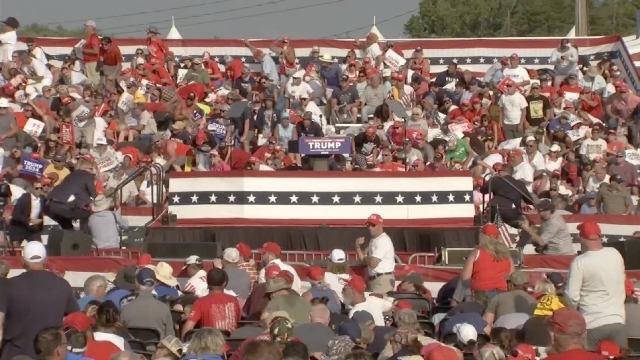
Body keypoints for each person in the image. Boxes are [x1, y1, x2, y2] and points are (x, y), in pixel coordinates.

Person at [0, 242, 79, 360]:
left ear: (22, 261)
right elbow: (75, 318)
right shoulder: (62, 285)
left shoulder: (8, 286)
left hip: (14, 353)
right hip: (50, 354)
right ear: (45, 260)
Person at [565, 221, 627, 350]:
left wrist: (573, 312)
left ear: (582, 238)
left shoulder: (580, 262)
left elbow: (572, 296)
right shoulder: (615, 254)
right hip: (618, 320)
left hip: (592, 322)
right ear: (600, 235)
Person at [460, 223, 514, 299]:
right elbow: (512, 276)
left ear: (482, 236)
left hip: (482, 295)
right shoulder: (506, 255)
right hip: (502, 293)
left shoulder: (477, 252)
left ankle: (454, 305)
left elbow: (465, 278)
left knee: (461, 285)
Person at [182, 267, 241, 335]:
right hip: (231, 344)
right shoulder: (234, 301)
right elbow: (237, 321)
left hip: (209, 344)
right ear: (224, 283)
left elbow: (187, 328)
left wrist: (184, 344)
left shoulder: (200, 302)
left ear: (207, 282)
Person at [119, 267, 175, 338]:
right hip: (157, 348)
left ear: (136, 282)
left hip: (132, 348)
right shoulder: (164, 309)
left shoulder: (125, 308)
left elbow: (120, 335)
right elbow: (170, 337)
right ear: (154, 284)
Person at [45, 158, 96, 230]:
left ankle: (69, 233)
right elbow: (94, 195)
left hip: (50, 205)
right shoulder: (87, 176)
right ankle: (84, 237)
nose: (93, 171)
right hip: (64, 207)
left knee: (67, 224)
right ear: (86, 168)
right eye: (91, 169)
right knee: (86, 214)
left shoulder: (70, 175)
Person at [355, 214, 396, 294]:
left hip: (383, 280)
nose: (370, 228)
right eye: (368, 225)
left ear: (380, 225)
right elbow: (364, 260)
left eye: (373, 225)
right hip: (376, 279)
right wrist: (357, 247)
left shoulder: (382, 240)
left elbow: (372, 263)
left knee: (377, 304)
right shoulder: (374, 240)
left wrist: (366, 257)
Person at [8, 179, 45, 248]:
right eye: (37, 188)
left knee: (39, 247)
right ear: (31, 189)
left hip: (32, 229)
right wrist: (30, 221)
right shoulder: (24, 198)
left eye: (41, 188)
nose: (39, 190)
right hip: (19, 227)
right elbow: (16, 215)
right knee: (14, 250)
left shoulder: (42, 199)